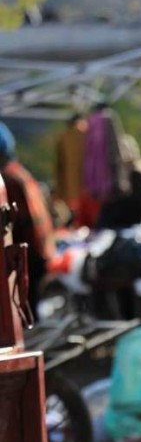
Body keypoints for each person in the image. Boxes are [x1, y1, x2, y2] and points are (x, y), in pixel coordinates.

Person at [0, 121, 55, 320]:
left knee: (24, 317)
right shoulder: (18, 172)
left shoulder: (8, 179)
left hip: (29, 258)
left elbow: (17, 223)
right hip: (38, 254)